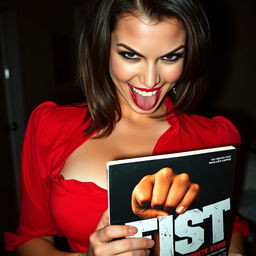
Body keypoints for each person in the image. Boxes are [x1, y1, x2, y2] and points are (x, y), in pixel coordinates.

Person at [4, 0, 249, 255]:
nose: (150, 80)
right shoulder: (50, 126)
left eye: (170, 57)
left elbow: (230, 224)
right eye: (131, 55)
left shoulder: (217, 137)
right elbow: (30, 239)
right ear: (102, 47)